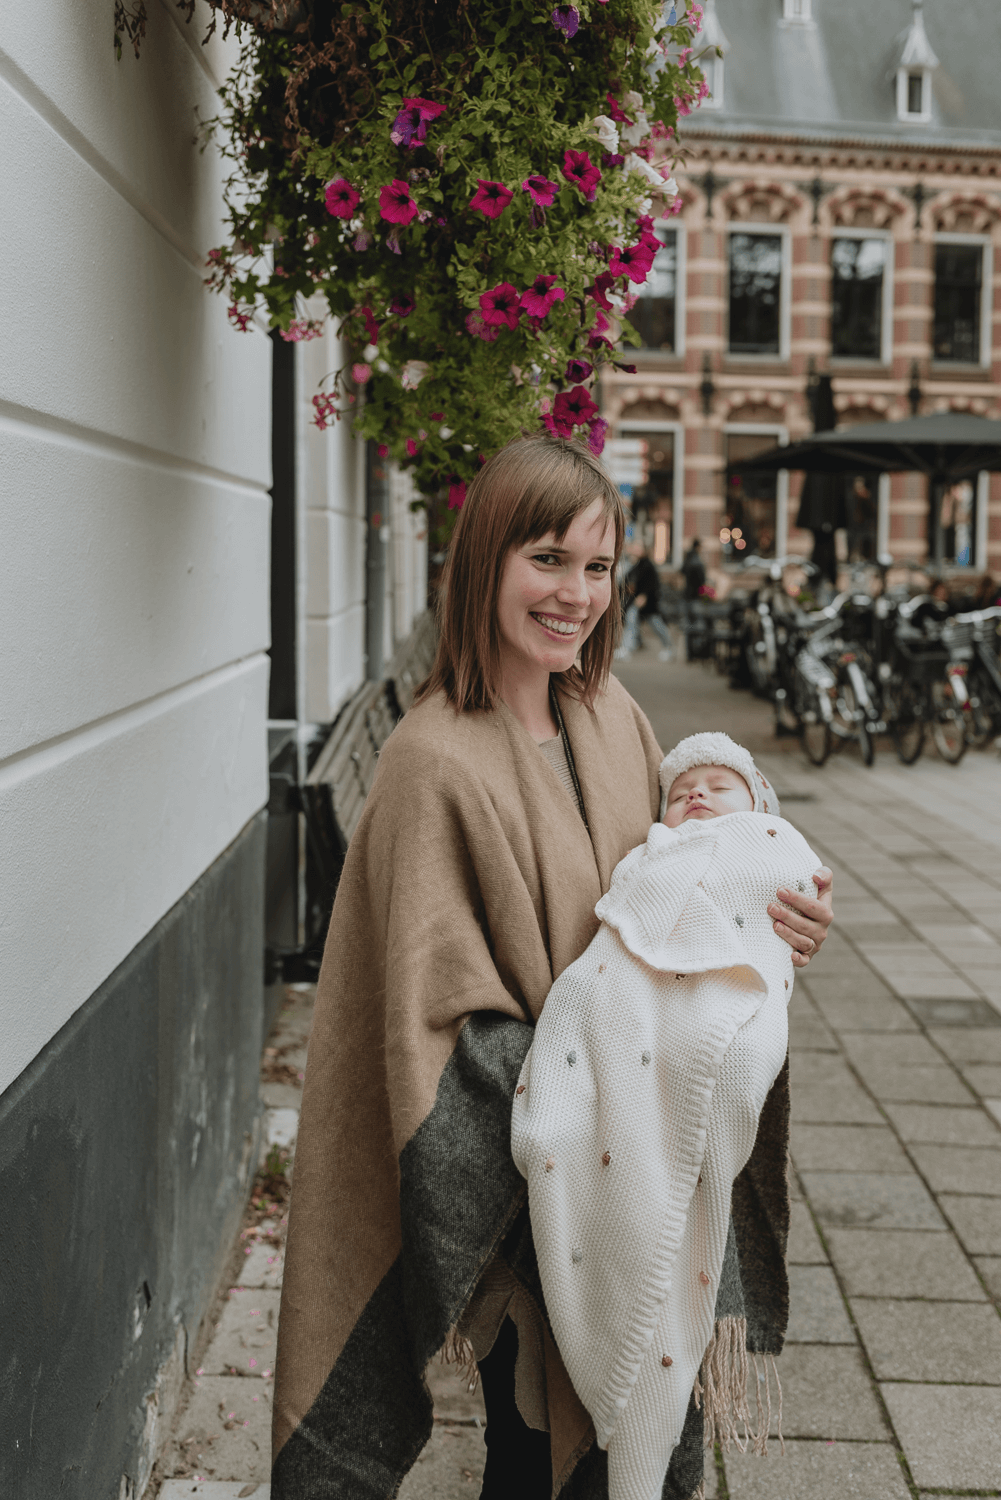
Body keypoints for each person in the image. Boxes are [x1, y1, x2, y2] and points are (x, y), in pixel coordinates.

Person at [269, 435, 834, 1500]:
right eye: (545, 559)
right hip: (536, 1185)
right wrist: (608, 1073)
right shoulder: (433, 760)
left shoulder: (605, 712)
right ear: (483, 560)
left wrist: (772, 908)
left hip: (636, 1160)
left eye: (595, 565)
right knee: (539, 1460)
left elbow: (679, 884)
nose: (574, 594)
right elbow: (427, 1028)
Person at [512, 733, 823, 1500]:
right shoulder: (655, 849)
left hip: (723, 992)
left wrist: (790, 893)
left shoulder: (756, 836)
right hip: (625, 988)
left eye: (719, 785)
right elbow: (631, 900)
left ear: (756, 804)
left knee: (721, 1062)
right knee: (566, 1096)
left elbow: (779, 875)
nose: (696, 797)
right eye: (682, 789)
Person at [618, 541, 674, 661]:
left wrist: (644, 596)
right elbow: (627, 580)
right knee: (631, 622)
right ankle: (626, 648)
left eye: (637, 548)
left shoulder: (648, 565)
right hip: (637, 603)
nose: (634, 550)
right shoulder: (637, 565)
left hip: (648, 605)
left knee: (657, 626)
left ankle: (669, 648)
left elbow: (652, 584)